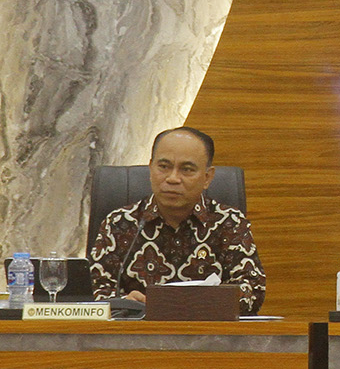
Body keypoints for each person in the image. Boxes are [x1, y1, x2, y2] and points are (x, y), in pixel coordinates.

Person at [89, 126, 266, 314]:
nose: (173, 178)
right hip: (135, 337)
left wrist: (191, 304)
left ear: (207, 177)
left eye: (187, 169)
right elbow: (92, 293)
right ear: (150, 168)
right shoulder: (119, 223)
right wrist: (125, 303)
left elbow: (252, 291)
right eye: (164, 167)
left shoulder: (229, 223)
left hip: (207, 338)